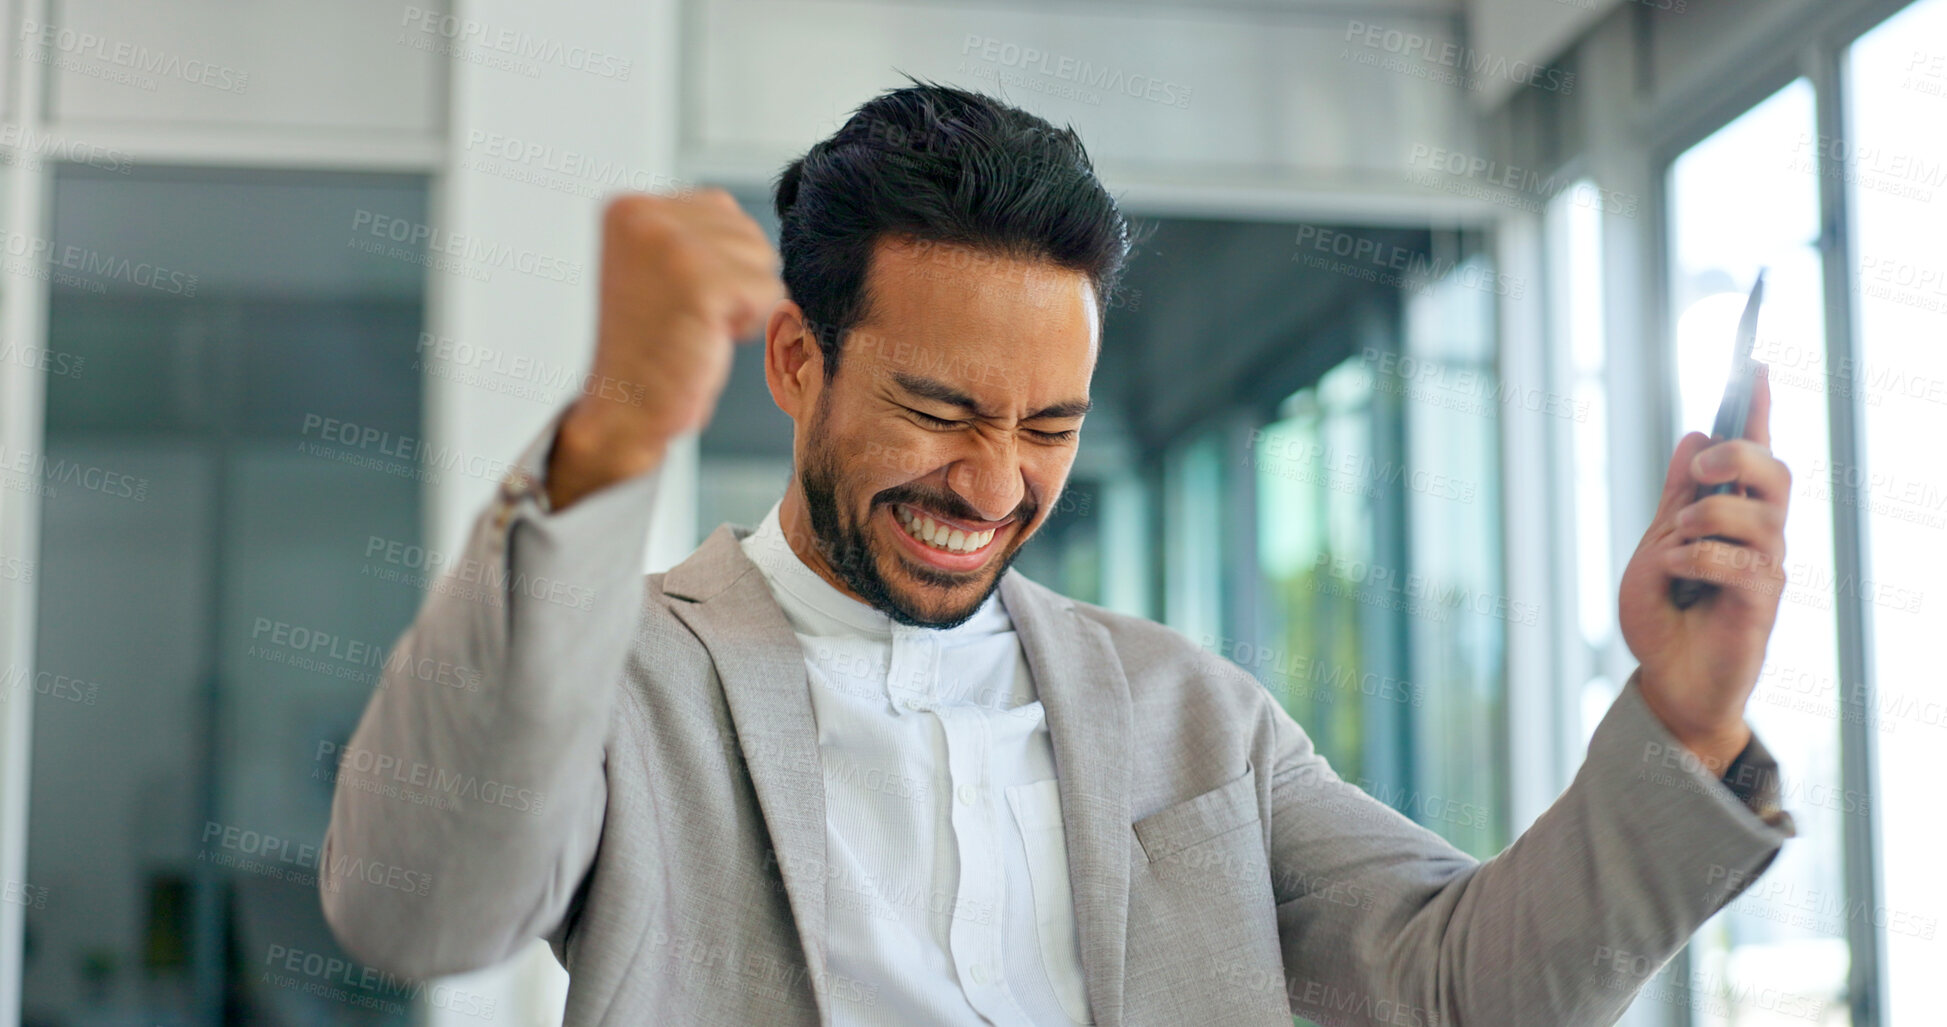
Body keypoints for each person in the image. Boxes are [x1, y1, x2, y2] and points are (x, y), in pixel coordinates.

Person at [320, 80, 1797, 1026]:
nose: (994, 479)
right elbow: (419, 911)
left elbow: (1459, 986)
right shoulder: (632, 676)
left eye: (1050, 426)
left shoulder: (1190, 714)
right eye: (939, 408)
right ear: (794, 362)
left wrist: (1682, 723)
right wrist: (610, 441)